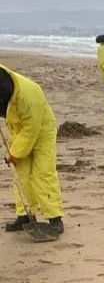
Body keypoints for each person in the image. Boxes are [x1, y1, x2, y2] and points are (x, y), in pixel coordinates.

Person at [0, 64, 65, 235]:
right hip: (19, 130)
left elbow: (31, 130)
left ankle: (55, 218)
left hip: (42, 131)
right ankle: (25, 216)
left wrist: (14, 153)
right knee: (21, 173)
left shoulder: (28, 96)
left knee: (43, 173)